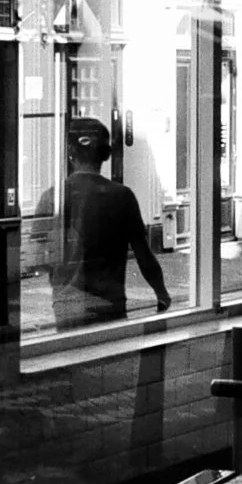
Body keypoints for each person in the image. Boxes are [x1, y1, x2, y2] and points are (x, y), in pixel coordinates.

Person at [51, 117, 171, 330]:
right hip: (110, 305)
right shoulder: (122, 197)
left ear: (70, 152)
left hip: (67, 304)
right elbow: (144, 255)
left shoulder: (54, 197)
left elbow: (42, 255)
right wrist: (161, 293)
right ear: (106, 155)